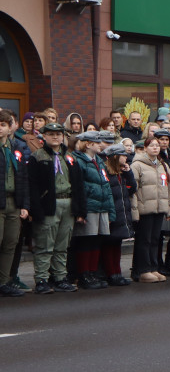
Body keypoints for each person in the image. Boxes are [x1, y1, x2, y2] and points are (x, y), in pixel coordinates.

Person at [28, 123, 87, 293]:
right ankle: (41, 279)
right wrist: (35, 209)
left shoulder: (69, 157)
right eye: (51, 134)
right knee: (45, 244)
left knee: (62, 244)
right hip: (48, 204)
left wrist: (80, 210)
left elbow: (78, 185)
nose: (55, 137)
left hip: (67, 203)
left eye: (58, 134)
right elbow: (32, 185)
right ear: (44, 136)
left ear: (63, 136)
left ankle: (60, 277)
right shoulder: (37, 157)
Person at [70, 131, 115, 290]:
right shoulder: (79, 161)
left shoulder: (99, 162)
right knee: (86, 240)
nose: (100, 145)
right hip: (89, 206)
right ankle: (83, 274)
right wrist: (80, 211)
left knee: (96, 240)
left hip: (101, 206)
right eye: (96, 143)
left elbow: (106, 185)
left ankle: (92, 272)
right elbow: (79, 187)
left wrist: (110, 210)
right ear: (88, 144)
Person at [131, 136, 170, 283]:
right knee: (145, 240)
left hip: (159, 208)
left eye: (157, 145)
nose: (155, 148)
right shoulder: (137, 165)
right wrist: (135, 210)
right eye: (152, 145)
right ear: (145, 148)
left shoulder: (163, 165)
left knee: (155, 239)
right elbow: (133, 190)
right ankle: (143, 270)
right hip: (145, 209)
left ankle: (154, 267)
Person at [0, 109, 30, 296]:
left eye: (3, 125)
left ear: (10, 127)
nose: (0, 129)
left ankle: (4, 281)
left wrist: (25, 204)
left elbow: (23, 178)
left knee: (11, 243)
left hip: (14, 202)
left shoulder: (15, 148)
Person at [101, 143, 135, 286]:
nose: (125, 157)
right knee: (110, 245)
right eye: (122, 155)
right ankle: (111, 273)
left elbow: (132, 188)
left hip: (122, 212)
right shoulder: (107, 173)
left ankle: (117, 272)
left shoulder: (121, 173)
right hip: (112, 213)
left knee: (117, 244)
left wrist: (128, 173)